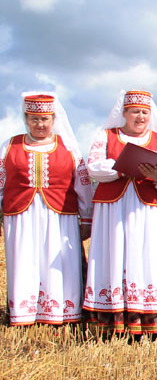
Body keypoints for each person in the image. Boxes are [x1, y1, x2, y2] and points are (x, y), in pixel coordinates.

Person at [85, 89, 157, 337]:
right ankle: (111, 317)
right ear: (123, 113)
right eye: (135, 111)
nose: (140, 117)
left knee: (146, 254)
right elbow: (93, 166)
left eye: (145, 112)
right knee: (112, 252)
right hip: (113, 207)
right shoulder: (107, 136)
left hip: (146, 208)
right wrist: (122, 168)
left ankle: (146, 318)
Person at [0, 93, 92, 326]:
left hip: (60, 217)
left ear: (53, 119)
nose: (40, 124)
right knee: (23, 261)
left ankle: (61, 312)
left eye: (44, 119)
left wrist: (87, 218)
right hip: (21, 216)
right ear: (26, 119)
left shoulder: (68, 148)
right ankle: (24, 313)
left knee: (59, 264)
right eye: (34, 119)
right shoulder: (10, 145)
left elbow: (82, 185)